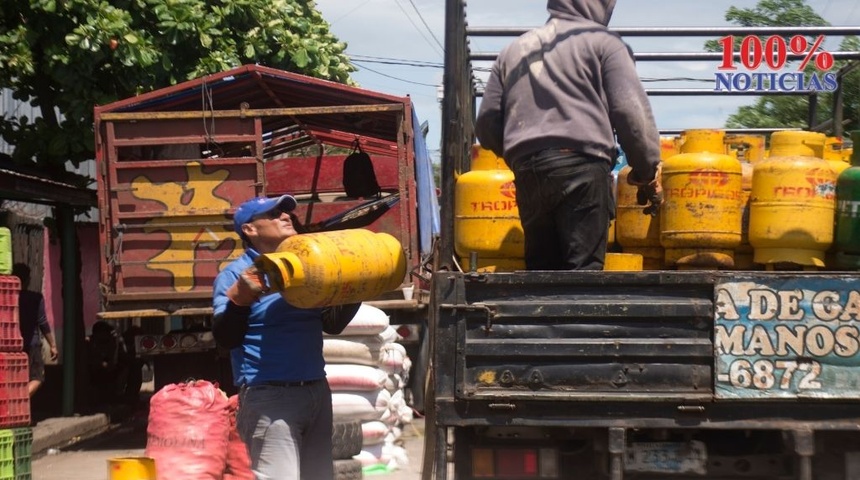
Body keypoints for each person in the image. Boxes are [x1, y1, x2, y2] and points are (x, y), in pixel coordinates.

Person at [475, 0, 663, 270]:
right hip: (583, 168)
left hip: (529, 171)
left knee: (542, 272)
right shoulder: (604, 43)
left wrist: (520, 153)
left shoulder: (513, 50)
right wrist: (646, 170)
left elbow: (486, 123)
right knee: (582, 275)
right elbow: (630, 114)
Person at [212, 195, 360, 480]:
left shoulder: (309, 268)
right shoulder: (234, 276)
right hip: (271, 396)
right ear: (250, 230)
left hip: (316, 390)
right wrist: (239, 302)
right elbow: (225, 339)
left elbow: (332, 324)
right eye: (274, 213)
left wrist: (353, 287)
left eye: (287, 212)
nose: (286, 216)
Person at [13, 263, 59, 397]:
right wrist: (53, 345)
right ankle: (19, 398)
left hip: (13, 345)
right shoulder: (35, 298)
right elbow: (43, 322)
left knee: (16, 379)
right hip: (32, 344)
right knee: (37, 377)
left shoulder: (9, 298)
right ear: (27, 280)